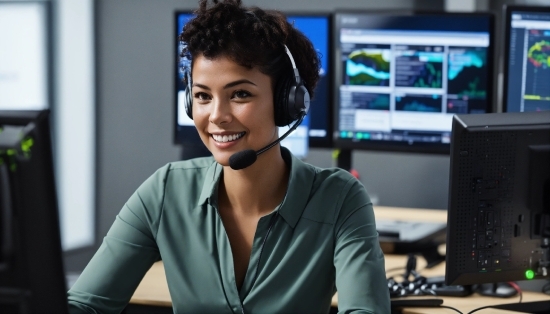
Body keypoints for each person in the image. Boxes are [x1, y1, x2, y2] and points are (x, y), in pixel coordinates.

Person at [67, 0, 390, 312]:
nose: (217, 116)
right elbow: (85, 304)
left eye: (240, 94)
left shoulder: (338, 199)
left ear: (287, 102)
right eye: (203, 96)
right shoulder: (166, 191)